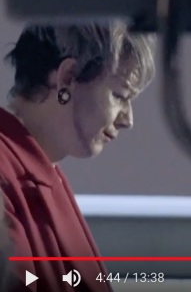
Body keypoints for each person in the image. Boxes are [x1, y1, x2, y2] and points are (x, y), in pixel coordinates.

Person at [0, 22, 155, 291]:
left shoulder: (43, 174)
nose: (128, 120)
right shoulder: (9, 172)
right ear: (68, 77)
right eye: (119, 95)